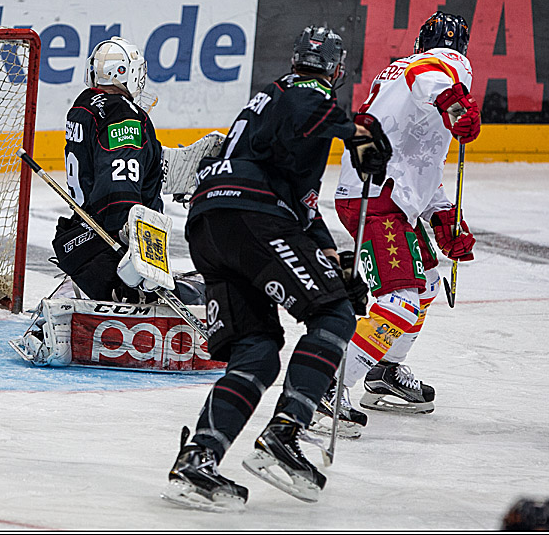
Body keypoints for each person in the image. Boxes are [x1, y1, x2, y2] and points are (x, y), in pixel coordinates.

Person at [163, 26, 392, 511]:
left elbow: (303, 210)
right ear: (335, 69)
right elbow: (306, 113)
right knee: (333, 317)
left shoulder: (271, 107)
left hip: (211, 226)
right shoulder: (305, 91)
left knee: (259, 352)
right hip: (252, 217)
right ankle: (283, 436)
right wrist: (357, 132)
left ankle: (197, 459)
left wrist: (334, 264)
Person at [320, 12, 481, 436]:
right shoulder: (438, 67)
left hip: (385, 194)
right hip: (375, 198)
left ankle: (383, 371)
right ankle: (324, 386)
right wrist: (454, 100)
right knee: (400, 300)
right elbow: (431, 70)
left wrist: (443, 214)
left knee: (426, 283)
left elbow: (419, 158)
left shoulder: (402, 75)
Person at [51, 36, 164, 303]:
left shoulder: (84, 106)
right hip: (109, 249)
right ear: (125, 73)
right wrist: (133, 250)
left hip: (83, 232)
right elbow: (119, 186)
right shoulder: (121, 114)